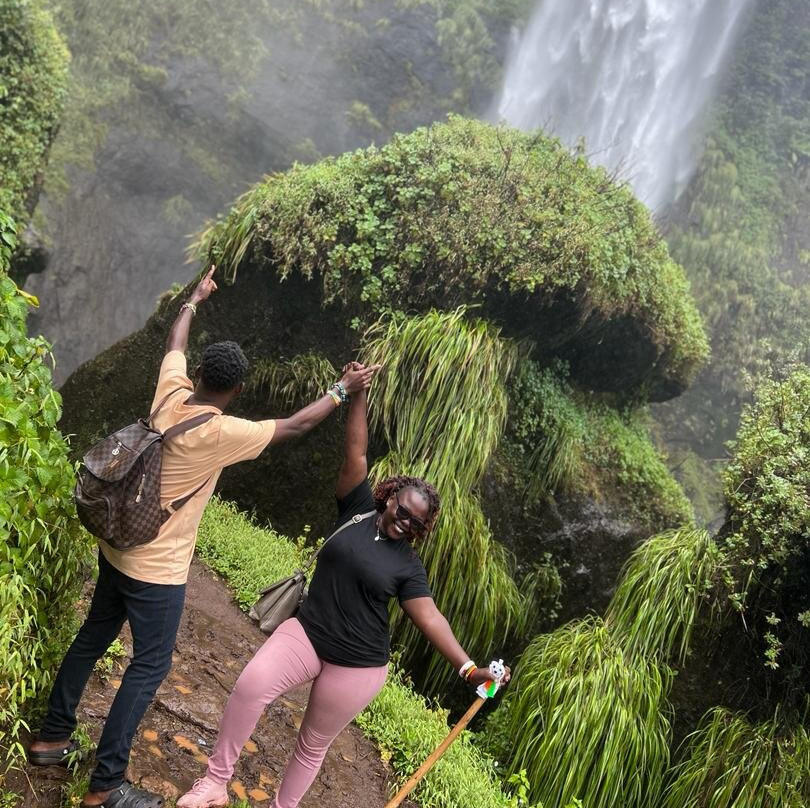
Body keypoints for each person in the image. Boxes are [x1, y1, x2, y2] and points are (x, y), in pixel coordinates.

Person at [28, 267, 378, 808]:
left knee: (95, 635)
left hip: (116, 544)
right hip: (157, 570)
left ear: (199, 375)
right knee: (151, 665)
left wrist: (194, 299)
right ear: (236, 389)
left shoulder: (170, 392)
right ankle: (106, 786)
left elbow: (174, 342)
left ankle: (52, 737)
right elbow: (296, 426)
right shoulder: (220, 432)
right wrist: (345, 387)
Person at [176, 362, 510, 808]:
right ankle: (215, 783)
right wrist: (357, 396)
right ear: (389, 497)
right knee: (251, 686)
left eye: (416, 521)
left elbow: (429, 617)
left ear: (423, 528)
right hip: (309, 631)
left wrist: (469, 669)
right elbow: (356, 453)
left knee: (312, 745)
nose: (405, 521)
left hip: (359, 664)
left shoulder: (407, 566)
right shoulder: (355, 507)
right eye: (402, 510)